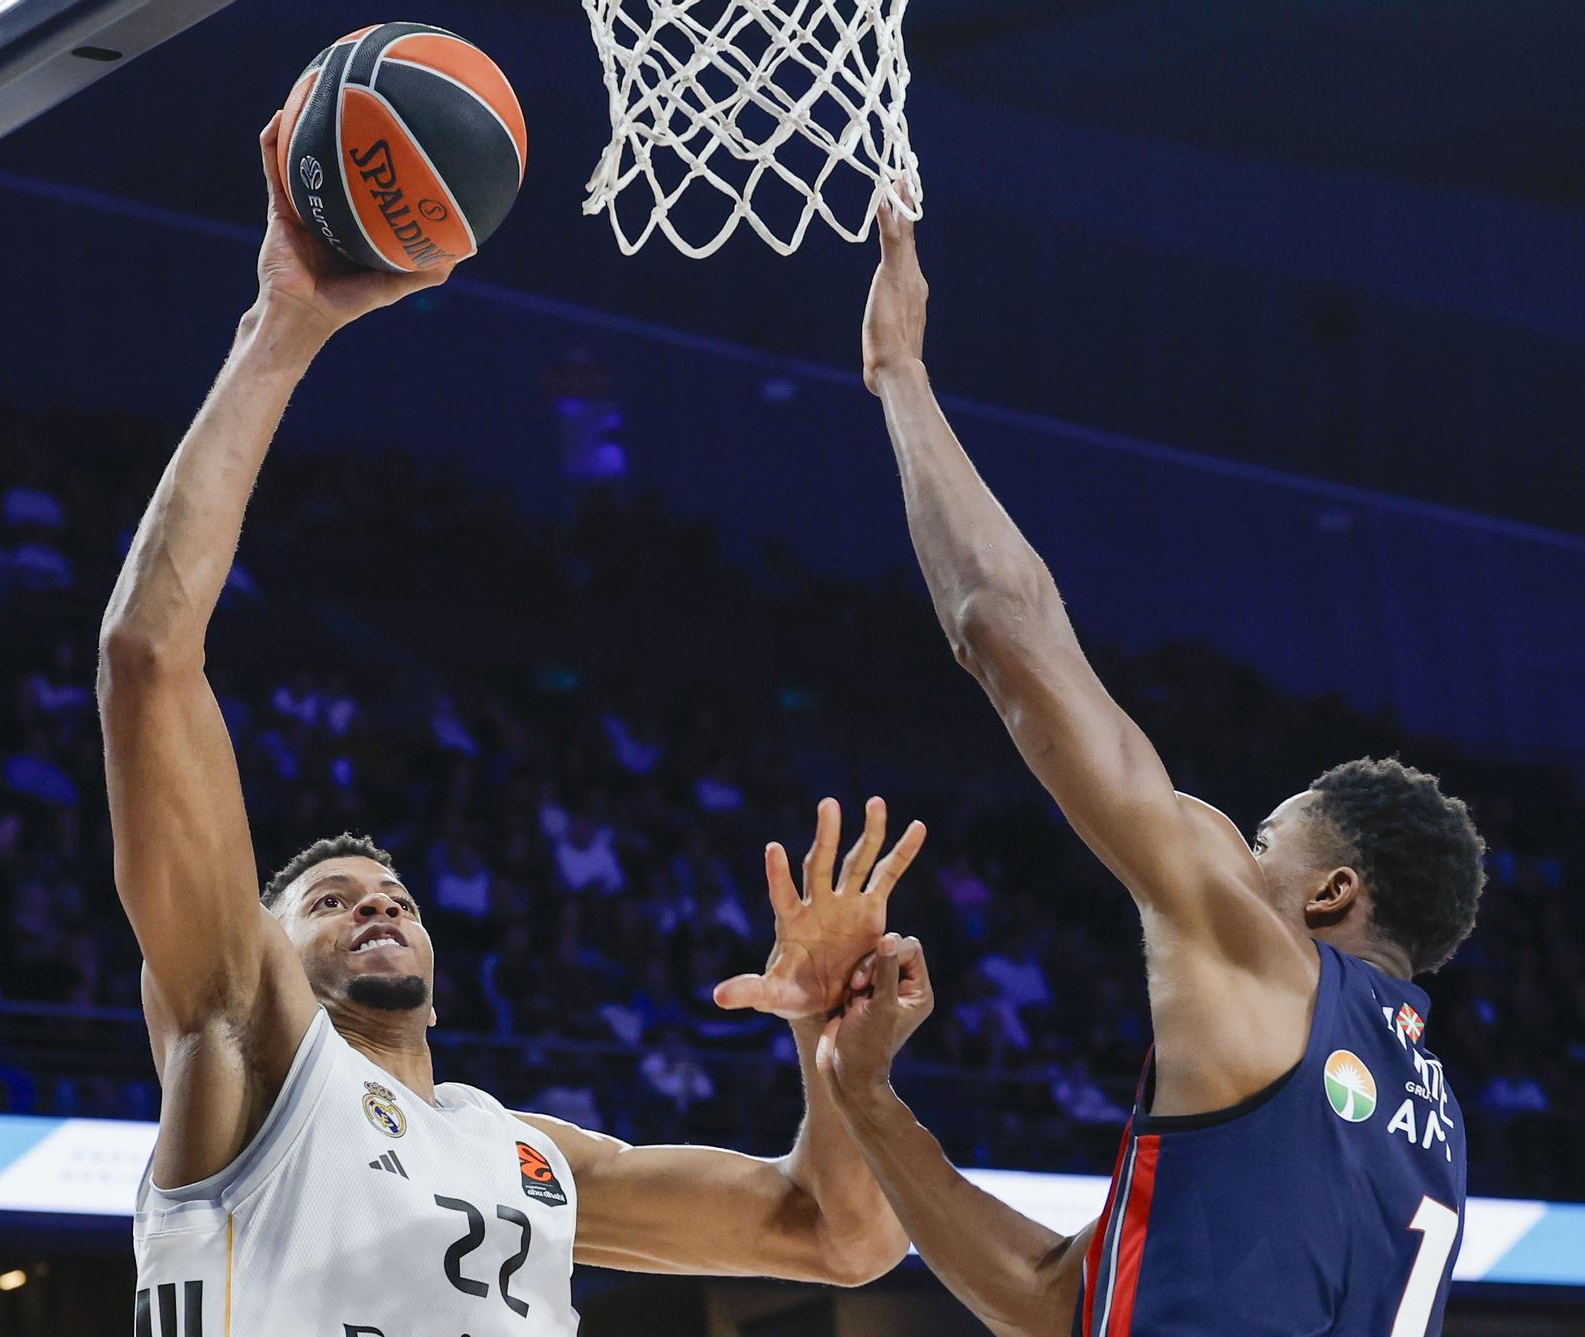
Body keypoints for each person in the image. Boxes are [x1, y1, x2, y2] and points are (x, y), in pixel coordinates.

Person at [103, 114, 917, 1335]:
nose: (376, 904)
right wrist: (283, 328)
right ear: (258, 946)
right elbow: (147, 661)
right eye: (329, 899)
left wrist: (829, 1043)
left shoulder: (521, 1151)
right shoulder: (251, 1050)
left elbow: (842, 1236)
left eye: (391, 893)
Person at [813, 200, 1489, 1336]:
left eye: (1264, 841)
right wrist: (866, 1098)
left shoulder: (1267, 961)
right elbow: (1053, 1300)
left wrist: (900, 376)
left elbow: (1004, 631)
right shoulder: (1434, 1130)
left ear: (1331, 892)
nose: (1235, 854)